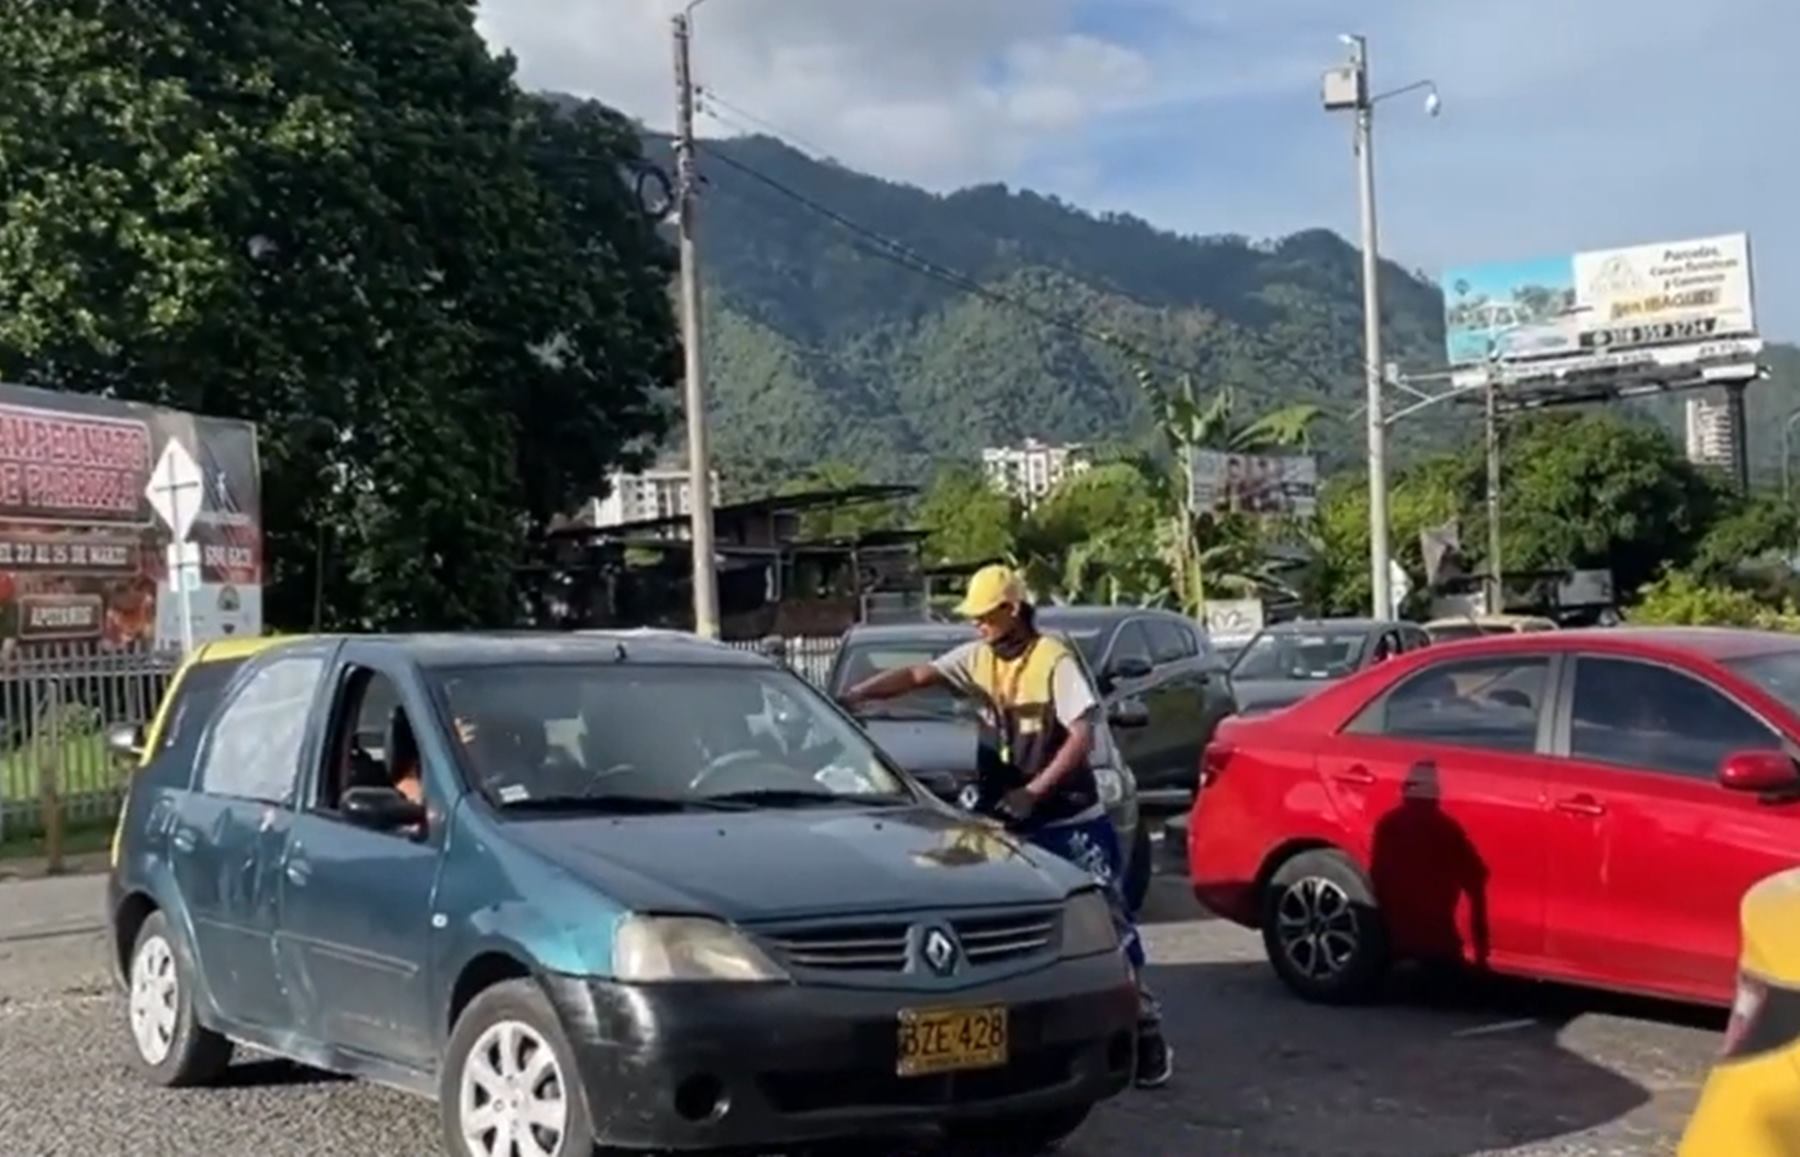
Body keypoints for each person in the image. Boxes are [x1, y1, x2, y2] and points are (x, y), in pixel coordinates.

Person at [839, 564, 1174, 1088]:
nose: (977, 626)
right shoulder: (978, 658)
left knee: (1107, 924)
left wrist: (1035, 791)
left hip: (1066, 819)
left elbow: (1082, 735)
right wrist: (856, 696)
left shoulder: (1053, 661)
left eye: (984, 617)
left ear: (1012, 611)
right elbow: (917, 676)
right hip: (1003, 820)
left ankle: (1145, 1027)